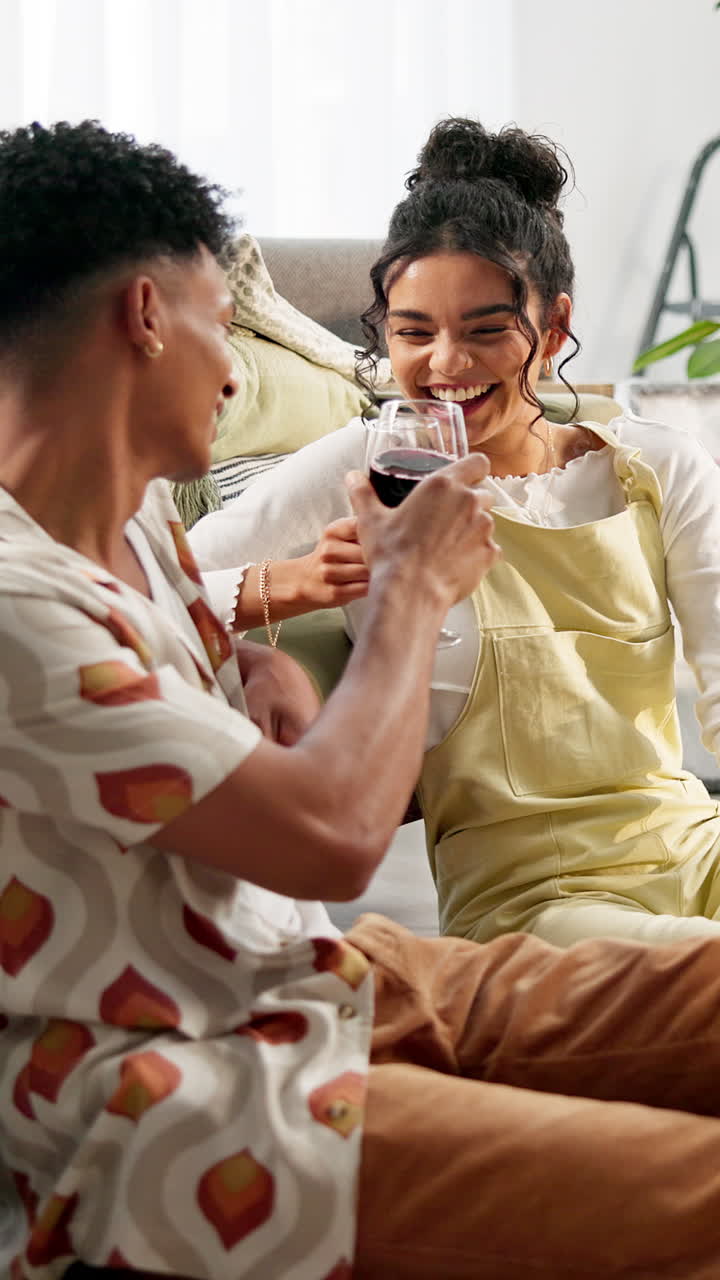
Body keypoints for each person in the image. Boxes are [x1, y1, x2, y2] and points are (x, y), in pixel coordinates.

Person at [4, 121, 720, 1280]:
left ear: (554, 322)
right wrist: (410, 590)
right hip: (196, 1081)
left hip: (327, 975)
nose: (238, 370)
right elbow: (332, 834)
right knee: (697, 1187)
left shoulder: (129, 522)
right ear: (144, 315)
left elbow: (214, 691)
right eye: (215, 321)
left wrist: (256, 665)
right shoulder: (16, 607)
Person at [189, 116, 720, 951]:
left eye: (484, 329)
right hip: (531, 901)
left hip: (695, 851)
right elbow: (141, 589)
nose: (445, 365)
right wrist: (288, 591)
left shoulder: (657, 468)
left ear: (550, 330)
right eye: (412, 332)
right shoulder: (361, 468)